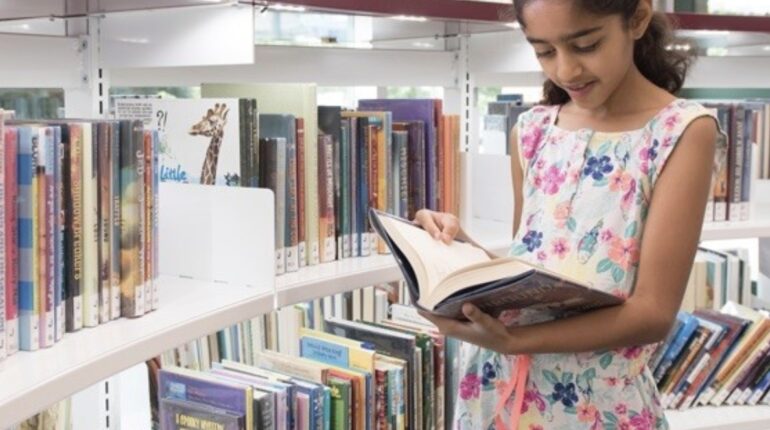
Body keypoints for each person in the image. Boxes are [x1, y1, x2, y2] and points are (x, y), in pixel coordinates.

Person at [414, 0, 719, 428]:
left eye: (587, 45)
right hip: (497, 392)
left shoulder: (681, 131)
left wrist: (514, 341)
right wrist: (455, 249)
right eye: (544, 51)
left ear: (637, 18)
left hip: (598, 405)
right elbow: (528, 273)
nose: (566, 71)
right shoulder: (533, 130)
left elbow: (652, 314)